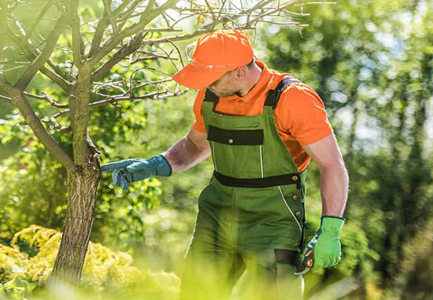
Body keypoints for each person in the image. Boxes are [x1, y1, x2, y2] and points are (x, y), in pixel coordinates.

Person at [102, 29, 349, 299]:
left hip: (273, 223)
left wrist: (331, 228)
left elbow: (331, 165)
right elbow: (195, 145)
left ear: (239, 73)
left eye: (210, 79)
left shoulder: (292, 99)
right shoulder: (210, 97)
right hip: (217, 217)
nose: (205, 86)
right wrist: (156, 164)